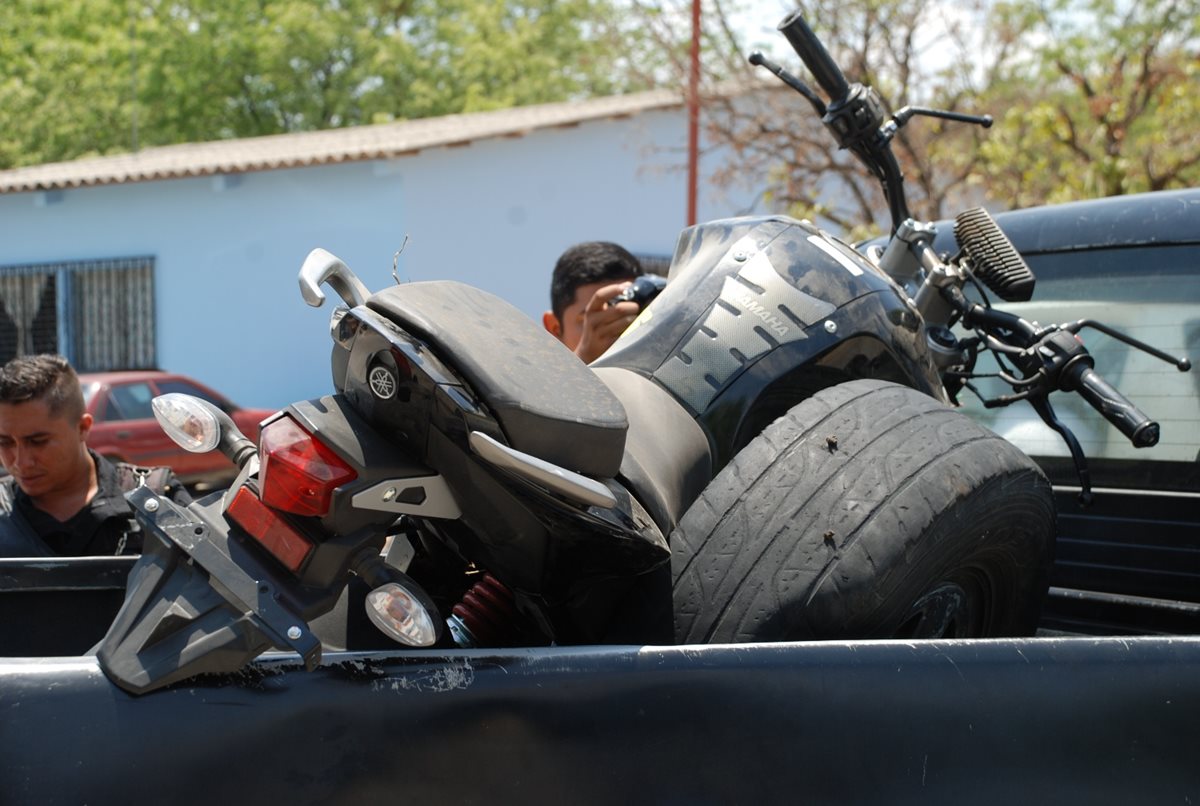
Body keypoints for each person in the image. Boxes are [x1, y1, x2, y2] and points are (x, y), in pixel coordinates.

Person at [0, 354, 189, 557]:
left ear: (83, 428)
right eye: (4, 442)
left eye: (38, 442)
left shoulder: (155, 499)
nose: (21, 462)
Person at [542, 241, 646, 363]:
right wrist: (584, 358)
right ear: (555, 329)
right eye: (589, 318)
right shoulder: (531, 381)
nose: (614, 327)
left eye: (628, 315)